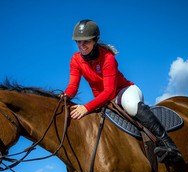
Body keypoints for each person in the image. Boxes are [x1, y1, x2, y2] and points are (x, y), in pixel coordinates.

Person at [64, 19, 182, 163]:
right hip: (103, 100)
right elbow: (73, 86)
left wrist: (86, 107)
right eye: (78, 42)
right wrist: (64, 96)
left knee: (132, 106)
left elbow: (109, 91)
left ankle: (169, 145)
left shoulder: (108, 58)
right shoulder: (75, 60)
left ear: (95, 40)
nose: (81, 46)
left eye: (86, 41)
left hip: (123, 91)